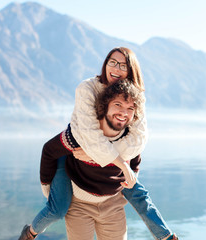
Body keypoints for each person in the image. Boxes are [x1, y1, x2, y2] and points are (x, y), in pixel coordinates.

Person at [18, 47, 178, 240]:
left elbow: (138, 140)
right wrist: (48, 189)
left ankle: (166, 236)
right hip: (71, 153)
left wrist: (111, 161)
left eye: (123, 65)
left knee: (139, 195)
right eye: (112, 62)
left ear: (131, 70)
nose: (116, 68)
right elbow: (86, 137)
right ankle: (29, 233)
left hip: (112, 167)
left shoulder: (135, 97)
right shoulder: (88, 89)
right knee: (57, 208)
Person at [65, 79, 142, 239]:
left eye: (130, 108)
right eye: (118, 105)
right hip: (79, 205)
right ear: (104, 106)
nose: (123, 112)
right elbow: (52, 153)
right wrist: (55, 199)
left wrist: (128, 182)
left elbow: (135, 158)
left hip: (113, 206)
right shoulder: (83, 133)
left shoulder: (128, 136)